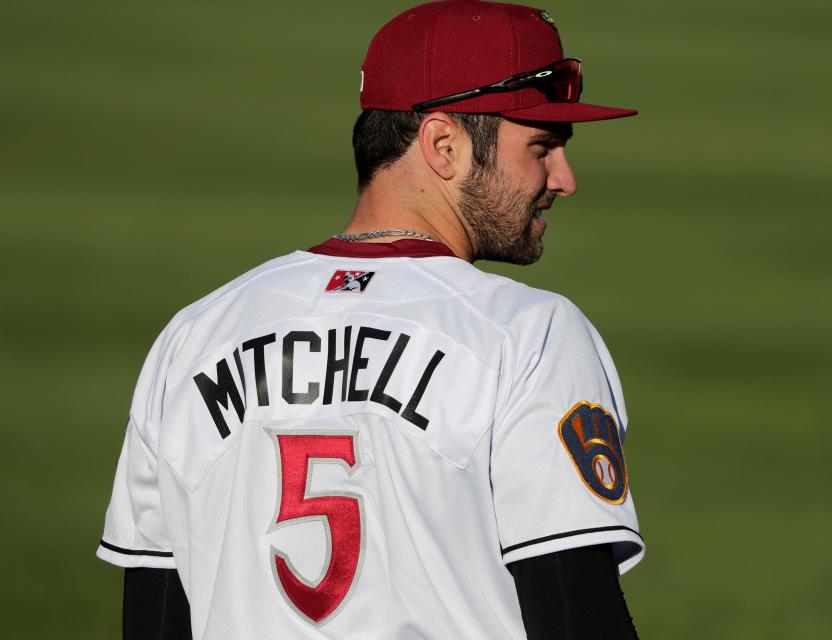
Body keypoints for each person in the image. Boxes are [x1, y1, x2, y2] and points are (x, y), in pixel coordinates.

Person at [98, 1, 645, 638]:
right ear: (444, 144)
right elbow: (576, 615)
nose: (564, 178)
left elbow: (155, 619)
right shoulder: (529, 334)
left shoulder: (192, 338)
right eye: (543, 147)